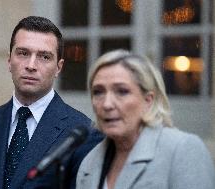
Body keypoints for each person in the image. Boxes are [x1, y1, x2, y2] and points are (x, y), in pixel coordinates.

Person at [0, 16, 103, 189]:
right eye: (23, 53)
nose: (31, 65)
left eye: (44, 57)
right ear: (9, 60)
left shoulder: (83, 134)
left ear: (59, 67)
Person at [76, 49, 215, 189]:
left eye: (122, 91)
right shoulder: (89, 162)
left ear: (148, 100)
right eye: (98, 92)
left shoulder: (183, 149)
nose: (107, 104)